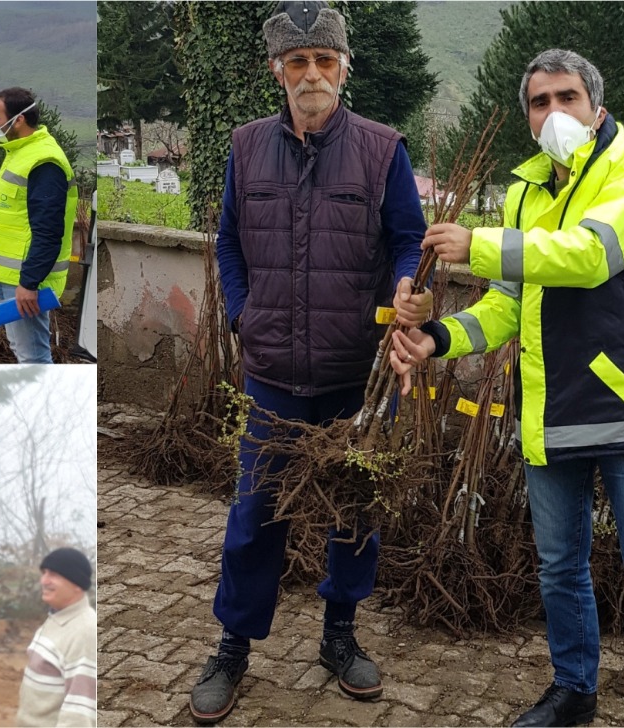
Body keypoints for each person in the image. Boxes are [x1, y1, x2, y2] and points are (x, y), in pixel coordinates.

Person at [390, 48, 624, 728]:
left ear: (597, 107)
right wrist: (438, 337)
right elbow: (506, 305)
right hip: (551, 413)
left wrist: (481, 243)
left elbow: (589, 258)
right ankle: (573, 692)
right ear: (527, 116)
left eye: (566, 98)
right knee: (560, 569)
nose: (554, 113)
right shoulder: (527, 192)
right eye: (539, 102)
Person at [188, 3, 433, 723]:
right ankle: (233, 646)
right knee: (254, 514)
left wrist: (404, 287)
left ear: (344, 67)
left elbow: (407, 241)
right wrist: (242, 312)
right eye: (298, 63)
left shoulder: (383, 149)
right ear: (278, 71)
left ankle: (339, 634)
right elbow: (229, 240)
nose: (312, 75)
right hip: (271, 371)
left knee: (354, 511)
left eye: (325, 61)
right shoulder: (245, 146)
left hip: (356, 372)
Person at [0, 86, 77, 364]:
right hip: (11, 276)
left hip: (24, 280)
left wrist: (29, 282)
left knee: (33, 356)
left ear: (18, 120)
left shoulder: (44, 161)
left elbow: (48, 231)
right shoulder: (20, 152)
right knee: (23, 349)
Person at [16, 548, 97, 728]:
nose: (44, 580)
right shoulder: (57, 618)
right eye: (44, 573)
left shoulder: (85, 632)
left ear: (77, 584)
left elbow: (80, 714)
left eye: (53, 574)